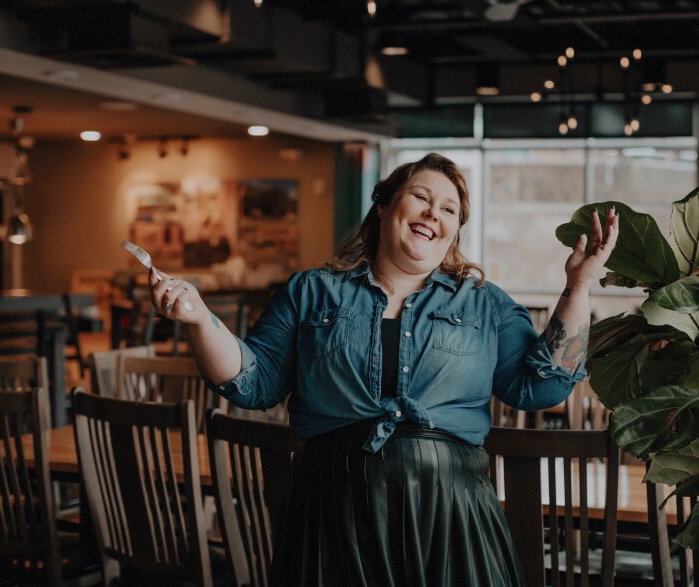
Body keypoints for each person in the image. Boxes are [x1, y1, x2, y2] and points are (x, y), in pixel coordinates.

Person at [149, 152, 618, 586]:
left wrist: (577, 287)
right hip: (331, 506)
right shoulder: (312, 291)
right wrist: (199, 320)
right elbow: (253, 381)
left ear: (455, 230)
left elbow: (542, 385)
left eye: (450, 209)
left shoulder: (484, 304)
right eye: (421, 197)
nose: (435, 212)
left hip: (451, 512)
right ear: (384, 206)